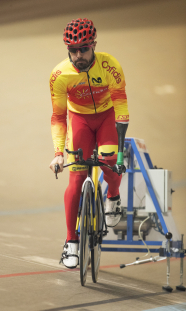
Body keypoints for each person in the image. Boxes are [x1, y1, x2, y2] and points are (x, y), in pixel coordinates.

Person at [49, 18, 129, 269]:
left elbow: (121, 104)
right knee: (75, 178)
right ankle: (71, 241)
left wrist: (119, 145)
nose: (78, 55)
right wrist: (59, 153)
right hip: (80, 121)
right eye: (72, 50)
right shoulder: (60, 75)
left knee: (110, 162)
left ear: (94, 44)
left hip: (107, 117)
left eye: (83, 48)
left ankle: (113, 196)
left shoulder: (109, 65)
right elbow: (58, 117)